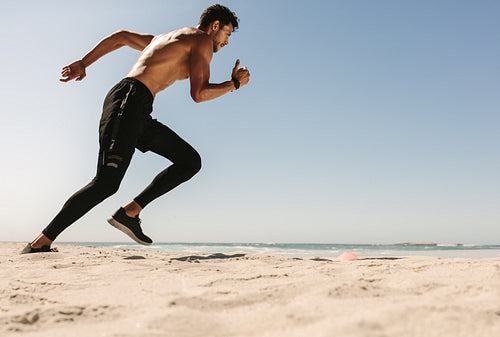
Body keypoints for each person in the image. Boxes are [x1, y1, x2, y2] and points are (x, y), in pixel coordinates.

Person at [21, 4, 250, 254]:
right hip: (129, 101)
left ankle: (129, 213)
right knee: (106, 183)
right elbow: (199, 93)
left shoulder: (164, 39)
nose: (226, 42)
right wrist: (234, 84)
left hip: (137, 107)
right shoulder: (202, 41)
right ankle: (40, 243)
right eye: (227, 34)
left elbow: (120, 37)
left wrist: (84, 63)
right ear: (215, 26)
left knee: (190, 161)